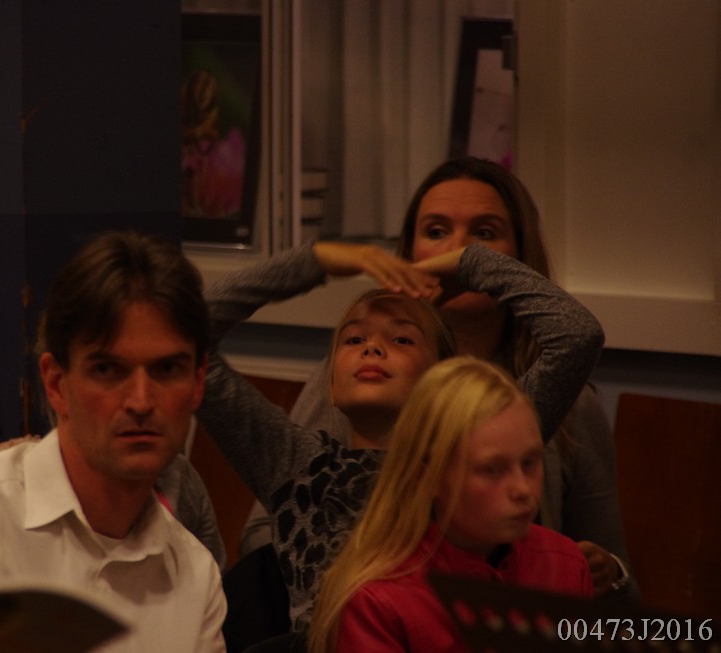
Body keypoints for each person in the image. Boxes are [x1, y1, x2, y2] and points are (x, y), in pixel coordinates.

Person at [241, 157, 636, 602]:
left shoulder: (558, 398)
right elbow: (263, 532)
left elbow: (623, 584)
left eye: (484, 234)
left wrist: (611, 574)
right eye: (436, 232)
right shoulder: (362, 378)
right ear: (409, 255)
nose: (459, 248)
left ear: (518, 260)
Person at [196, 233, 603, 631]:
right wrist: (317, 260)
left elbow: (576, 337)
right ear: (331, 382)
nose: (372, 348)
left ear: (442, 375)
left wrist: (470, 263)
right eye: (354, 338)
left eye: (402, 338)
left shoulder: (472, 450)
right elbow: (192, 334)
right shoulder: (297, 466)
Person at [0, 231, 227, 653]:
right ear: (56, 384)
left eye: (167, 370)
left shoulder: (194, 575)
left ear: (198, 384)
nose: (141, 401)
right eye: (108, 370)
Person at [308, 356, 593, 653]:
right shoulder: (376, 602)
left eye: (530, 462)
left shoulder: (566, 563)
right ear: (427, 478)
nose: (523, 489)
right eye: (492, 470)